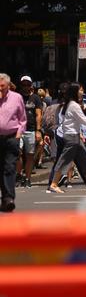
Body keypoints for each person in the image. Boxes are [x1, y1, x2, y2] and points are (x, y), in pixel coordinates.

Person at [48, 83, 86, 195]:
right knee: (63, 160)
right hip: (71, 137)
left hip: (75, 135)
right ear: (75, 92)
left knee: (85, 159)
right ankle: (53, 184)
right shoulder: (73, 105)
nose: (82, 92)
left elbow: (78, 121)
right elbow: (84, 120)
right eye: (80, 90)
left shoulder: (72, 104)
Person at [0, 73, 26, 212]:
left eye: (2, 87)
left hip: (11, 137)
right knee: (1, 169)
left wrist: (18, 135)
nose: (0, 90)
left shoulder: (16, 98)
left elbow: (22, 118)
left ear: (8, 86)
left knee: (9, 167)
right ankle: (4, 198)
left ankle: (9, 198)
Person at [16, 75, 43, 187]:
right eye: (23, 85)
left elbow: (38, 115)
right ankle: (18, 174)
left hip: (31, 130)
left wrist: (38, 131)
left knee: (30, 155)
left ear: (31, 86)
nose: (25, 87)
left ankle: (27, 178)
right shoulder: (17, 97)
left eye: (27, 84)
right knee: (17, 153)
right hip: (18, 129)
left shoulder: (35, 98)